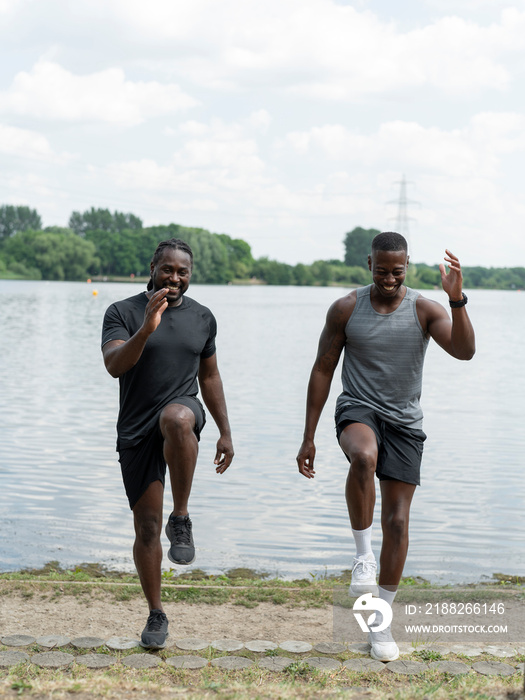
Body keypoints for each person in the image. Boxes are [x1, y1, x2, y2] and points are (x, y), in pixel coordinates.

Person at [296, 232, 475, 662]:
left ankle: (379, 623)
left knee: (397, 522)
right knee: (362, 455)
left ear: (408, 265)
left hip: (405, 423)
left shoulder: (425, 309)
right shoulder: (346, 308)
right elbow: (323, 369)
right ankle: (363, 559)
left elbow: (465, 351)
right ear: (369, 264)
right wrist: (308, 435)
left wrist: (457, 300)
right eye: (381, 270)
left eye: (397, 271)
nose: (389, 278)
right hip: (358, 409)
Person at [102, 238, 234, 649]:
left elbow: (209, 377)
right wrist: (146, 328)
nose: (175, 278)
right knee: (145, 528)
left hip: (182, 410)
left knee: (177, 418)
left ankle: (182, 517)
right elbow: (114, 365)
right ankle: (156, 613)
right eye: (168, 270)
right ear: (154, 268)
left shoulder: (203, 318)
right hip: (136, 428)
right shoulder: (122, 312)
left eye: (183, 272)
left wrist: (226, 431)